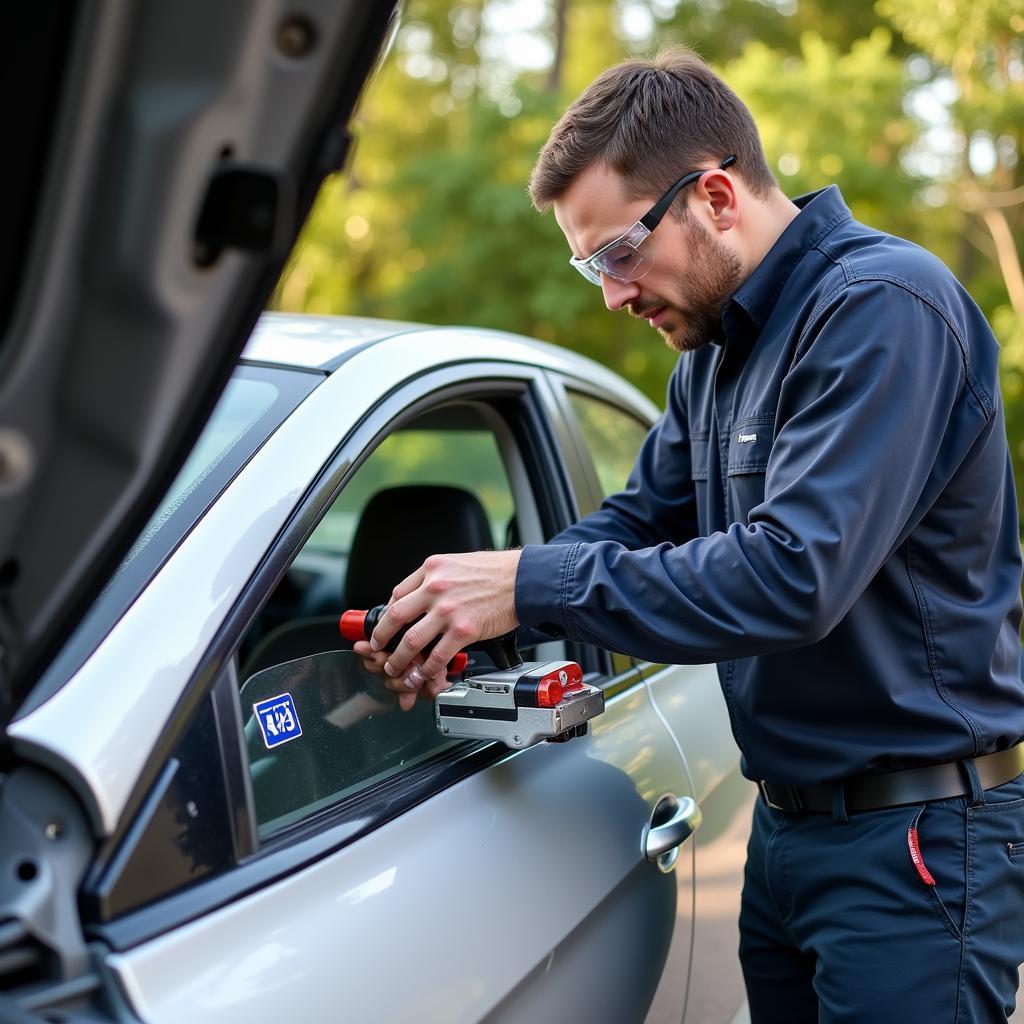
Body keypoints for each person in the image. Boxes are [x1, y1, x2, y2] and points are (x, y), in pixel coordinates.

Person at [353, 47, 1024, 1022]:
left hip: (914, 841)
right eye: (590, 266)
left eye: (617, 253)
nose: (612, 296)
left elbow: (791, 575)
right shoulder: (710, 361)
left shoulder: (882, 308)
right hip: (789, 836)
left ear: (713, 194)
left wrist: (527, 583)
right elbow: (635, 523)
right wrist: (468, 616)